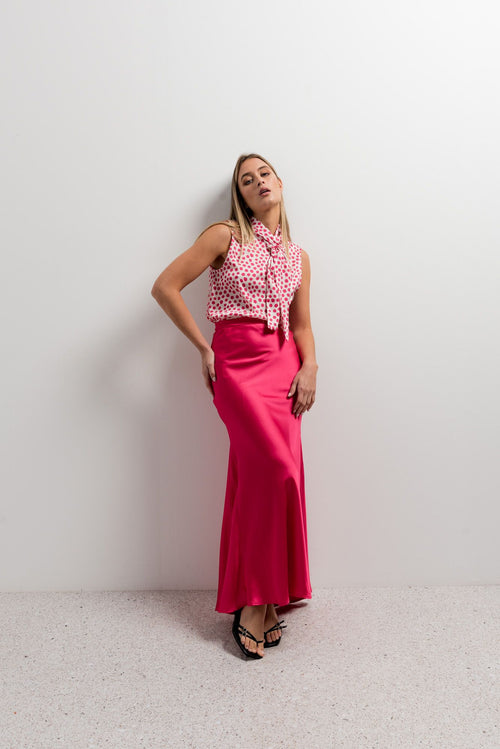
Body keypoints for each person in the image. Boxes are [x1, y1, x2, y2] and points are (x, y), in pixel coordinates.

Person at [151, 153, 318, 659]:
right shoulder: (223, 236)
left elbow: (302, 324)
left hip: (284, 368)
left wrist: (311, 367)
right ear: (240, 196)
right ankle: (255, 601)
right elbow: (164, 287)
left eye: (264, 174)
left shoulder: (298, 257)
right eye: (247, 180)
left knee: (271, 478)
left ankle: (262, 598)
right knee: (273, 470)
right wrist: (204, 348)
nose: (258, 182)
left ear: (280, 182)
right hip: (238, 365)